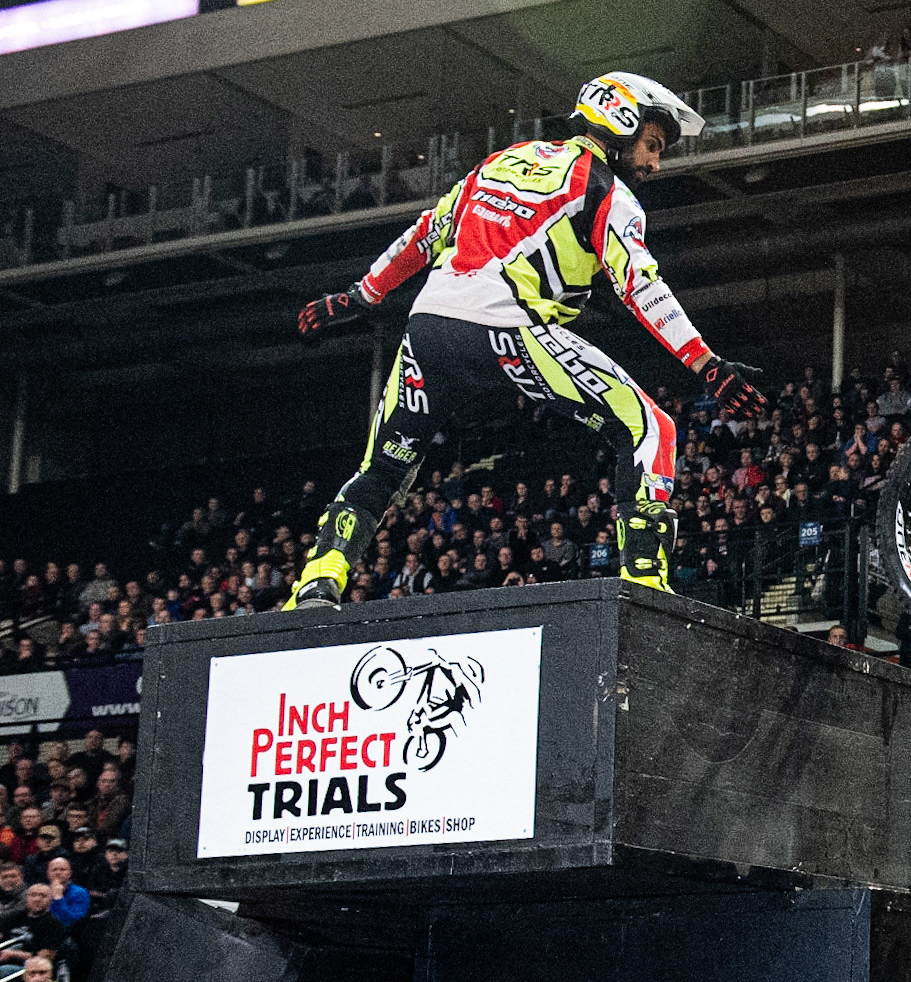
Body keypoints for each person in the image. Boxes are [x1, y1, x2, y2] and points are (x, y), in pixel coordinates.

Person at [285, 72, 768, 605]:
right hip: (509, 329)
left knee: (383, 466)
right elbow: (640, 285)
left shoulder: (503, 160)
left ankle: (318, 579)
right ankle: (645, 588)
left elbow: (426, 232)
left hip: (430, 326)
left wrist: (359, 297)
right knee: (650, 427)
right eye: (653, 146)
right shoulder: (606, 190)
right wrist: (706, 364)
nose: (654, 163)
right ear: (622, 121)